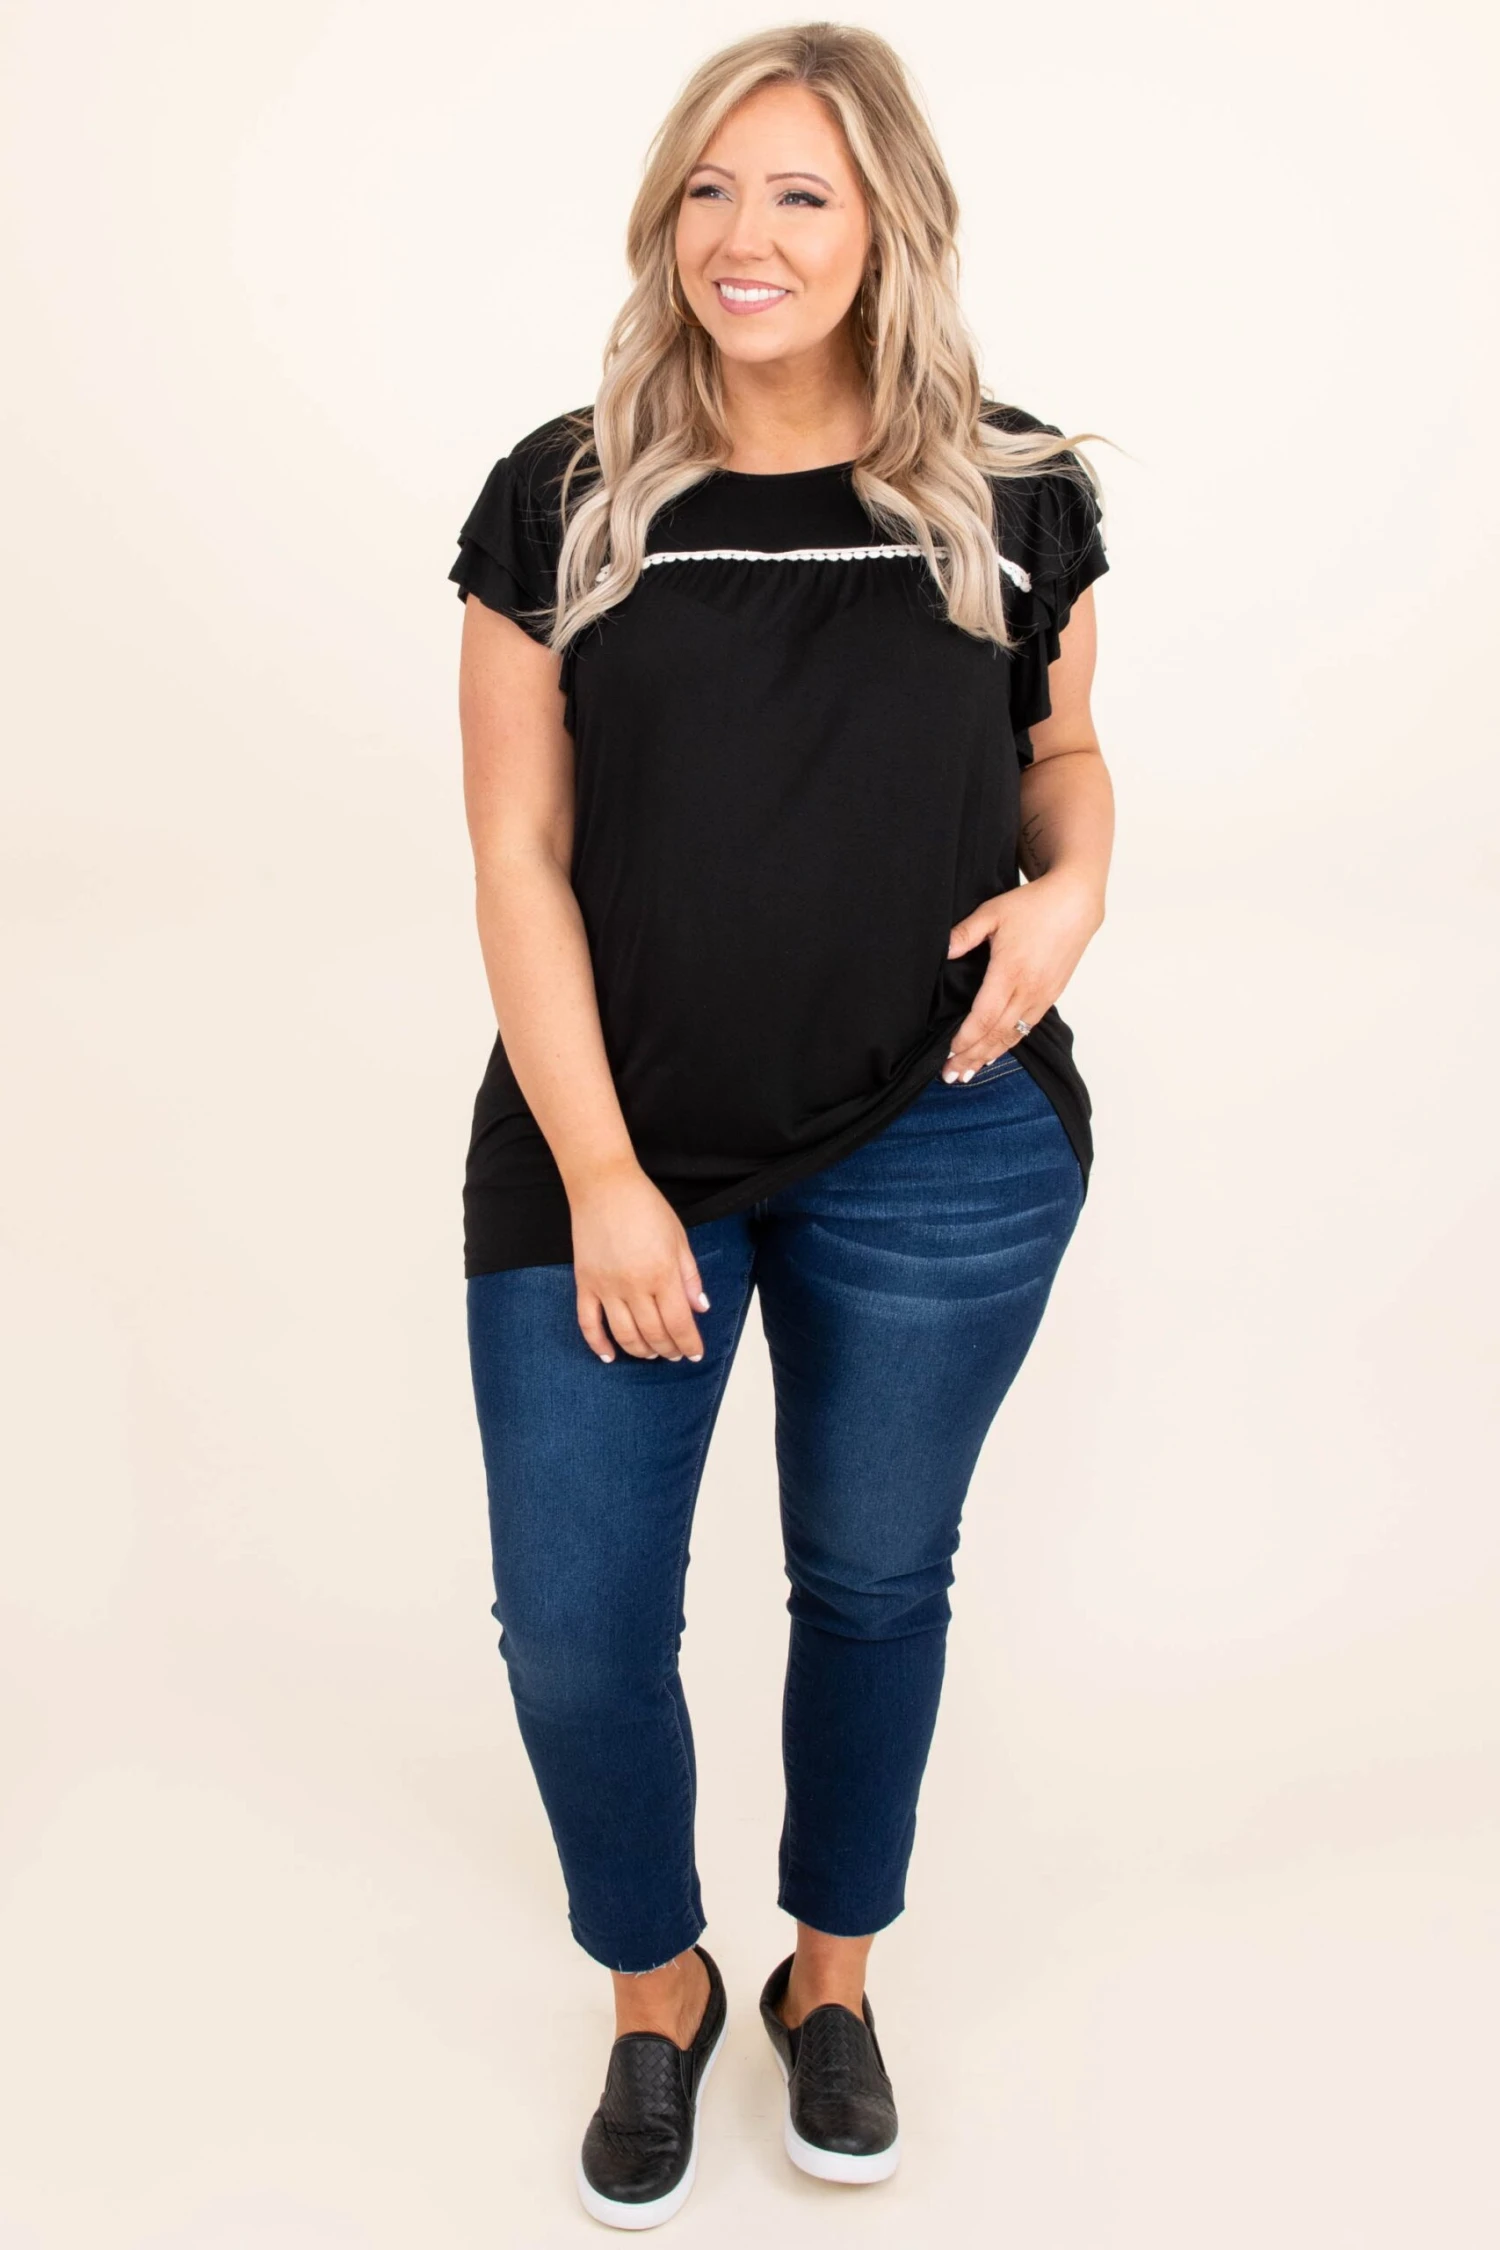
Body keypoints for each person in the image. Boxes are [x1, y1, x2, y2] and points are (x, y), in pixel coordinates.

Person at [449, 21, 1115, 2229]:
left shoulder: (1011, 494)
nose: (745, 236)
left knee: (874, 1578)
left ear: (889, 225)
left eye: (801, 193)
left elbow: (1062, 760)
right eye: (711, 192)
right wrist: (606, 1178)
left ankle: (833, 1978)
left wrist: (1077, 889)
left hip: (941, 1130)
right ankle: (660, 1991)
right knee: (576, 1631)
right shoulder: (566, 494)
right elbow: (518, 855)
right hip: (611, 1141)